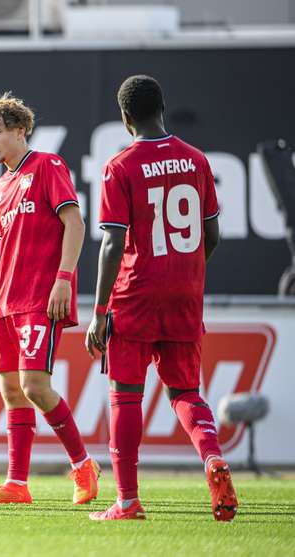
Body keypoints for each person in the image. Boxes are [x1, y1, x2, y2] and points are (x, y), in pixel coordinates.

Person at [85, 75, 237, 521]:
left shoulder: (121, 165)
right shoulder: (196, 160)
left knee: (126, 396)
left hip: (136, 295)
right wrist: (186, 272)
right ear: (162, 108)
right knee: (186, 390)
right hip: (185, 295)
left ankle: (128, 501)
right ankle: (212, 457)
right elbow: (211, 234)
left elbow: (112, 244)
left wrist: (97, 312)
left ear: (125, 116)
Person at [0, 92, 99, 505]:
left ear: (20, 131)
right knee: (12, 392)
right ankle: (17, 483)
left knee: (35, 385)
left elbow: (75, 223)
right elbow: (6, 253)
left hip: (41, 297)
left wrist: (64, 279)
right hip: (7, 304)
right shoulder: (1, 186)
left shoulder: (48, 165)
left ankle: (82, 464)